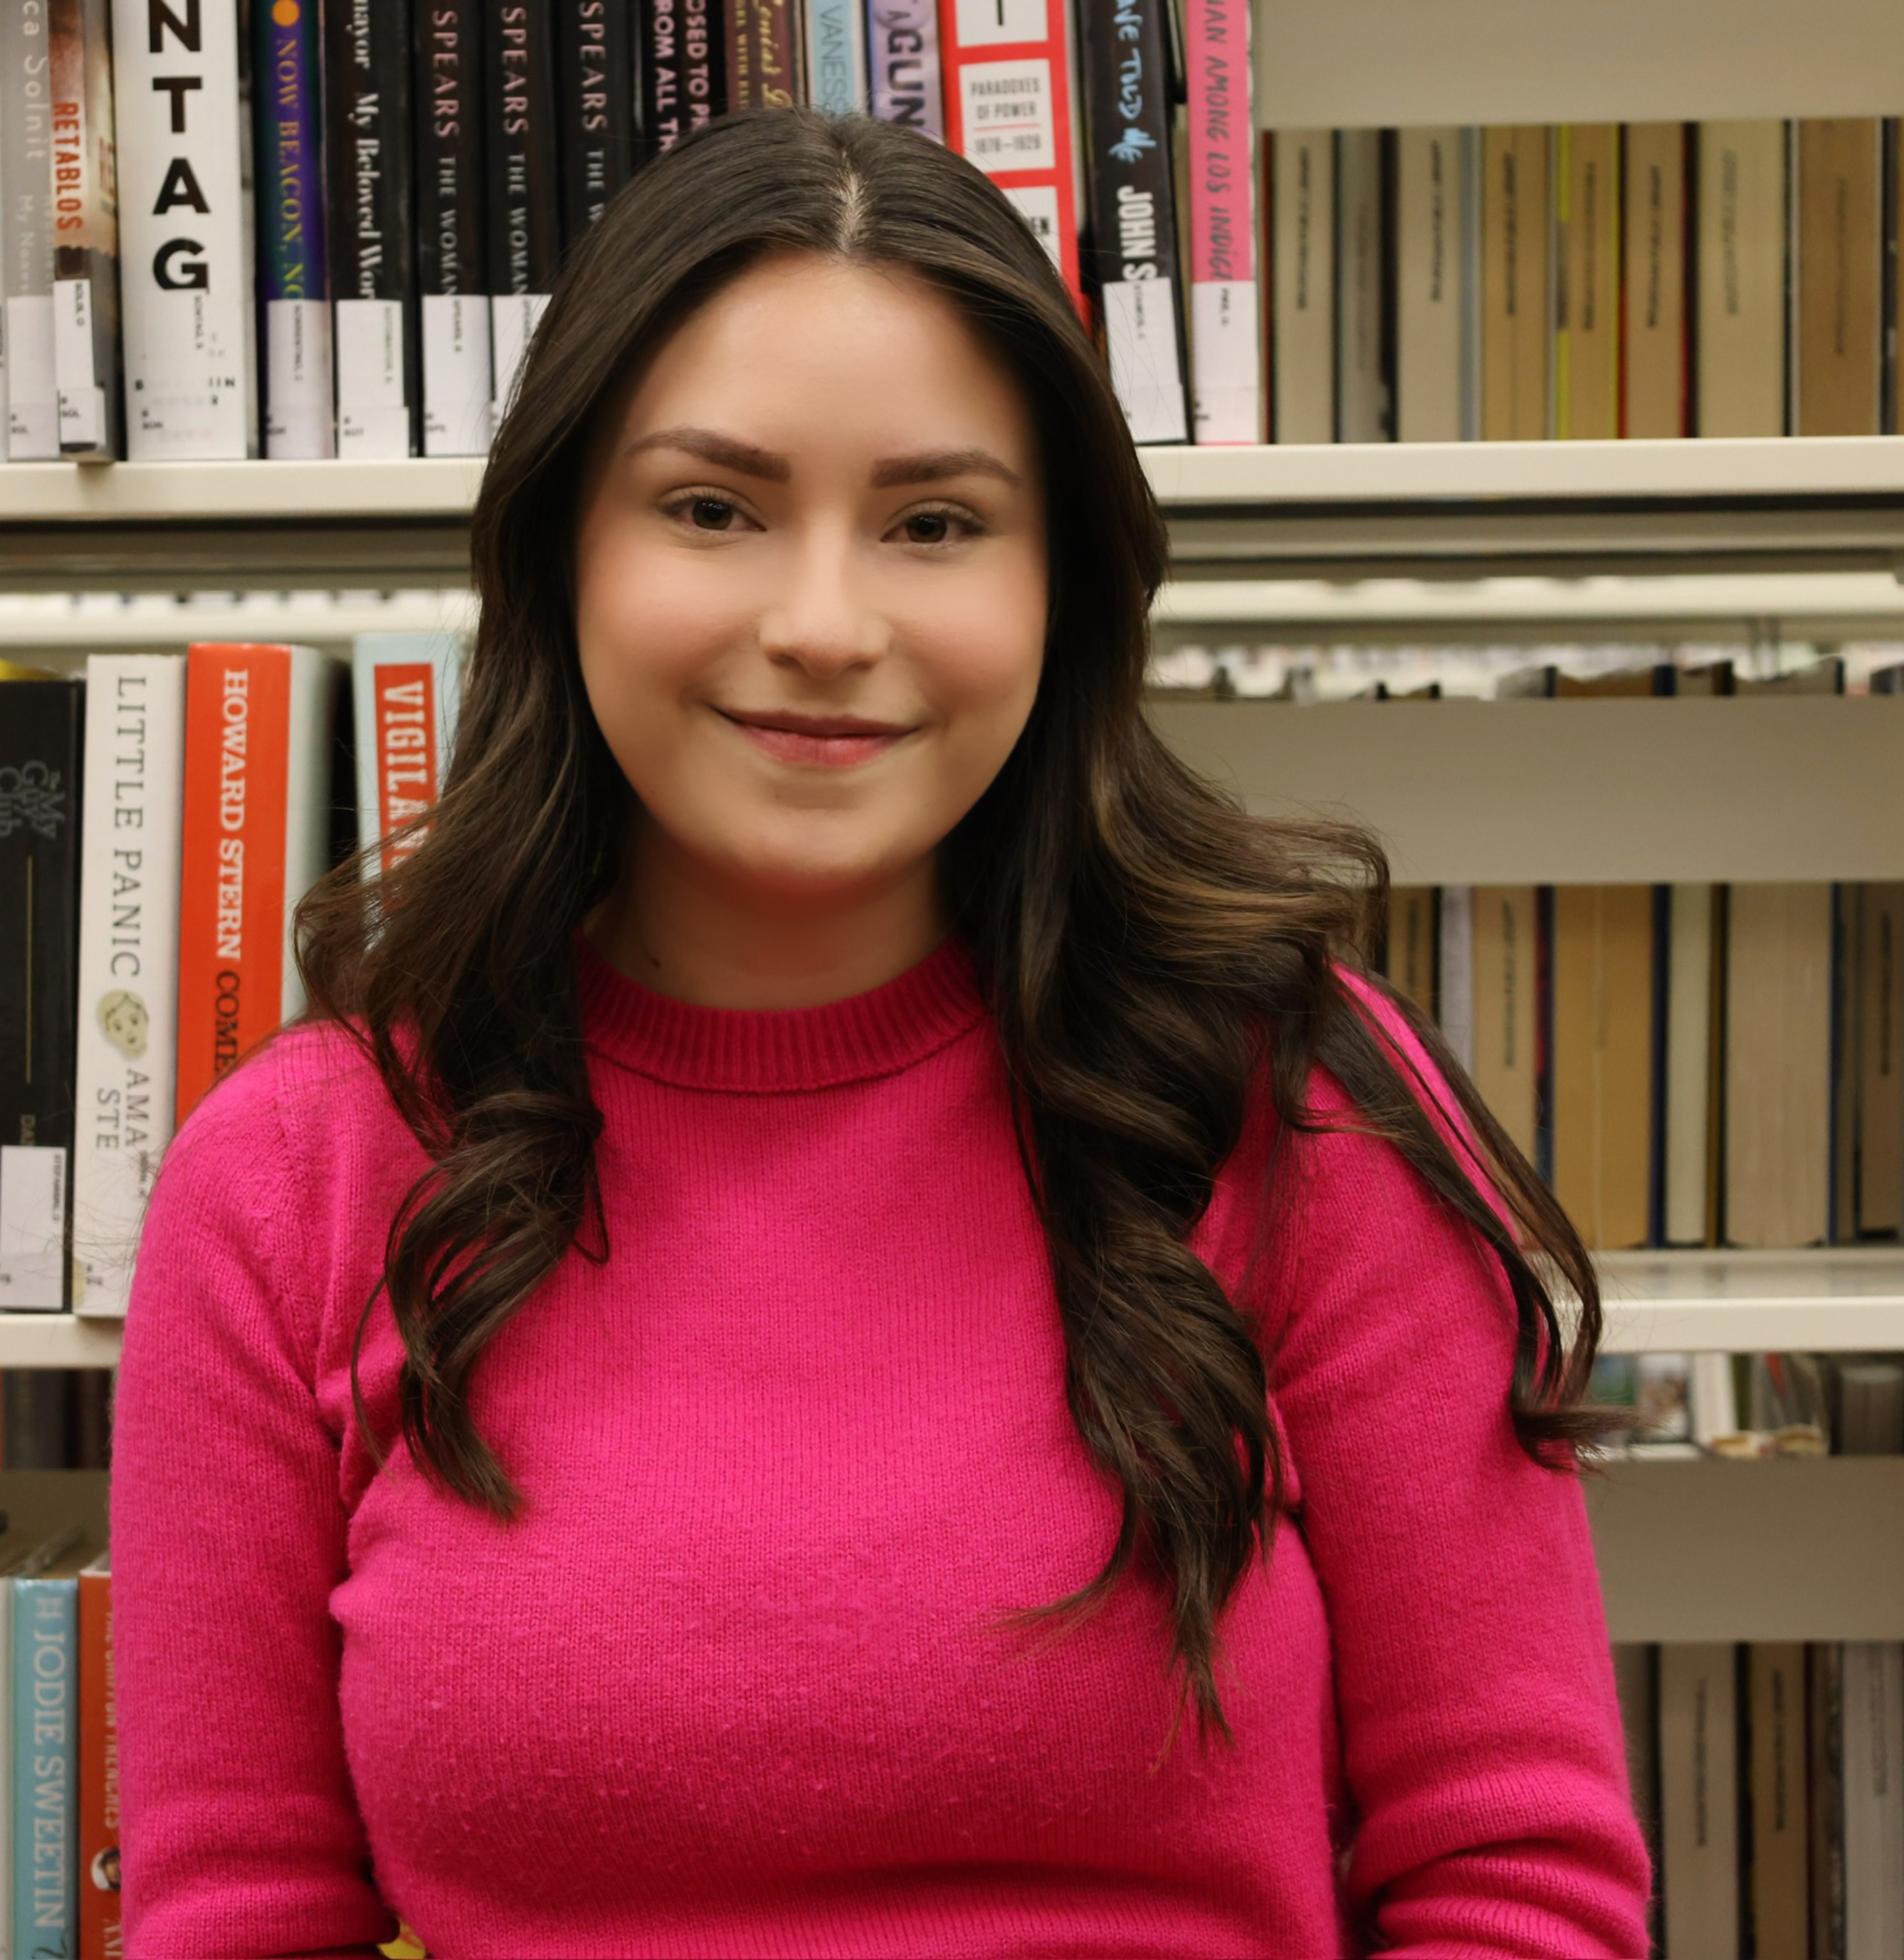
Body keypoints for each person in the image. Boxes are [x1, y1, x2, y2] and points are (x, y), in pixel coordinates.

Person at [110, 108, 1653, 1959]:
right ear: (560, 551)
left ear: (1057, 580)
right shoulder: (297, 1180)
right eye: (713, 508)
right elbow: (242, 1919)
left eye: (935, 522)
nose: (824, 622)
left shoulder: (1306, 1116)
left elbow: (1519, 1891)